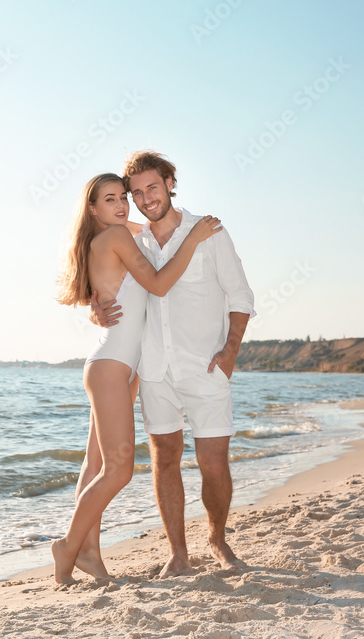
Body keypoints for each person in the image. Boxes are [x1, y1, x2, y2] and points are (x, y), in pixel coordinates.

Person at [91, 151, 255, 578]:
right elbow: (114, 286)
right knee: (164, 460)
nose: (146, 198)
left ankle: (217, 539)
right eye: (137, 192)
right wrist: (97, 308)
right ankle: (178, 553)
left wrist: (229, 353)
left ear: (169, 183)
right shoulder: (134, 240)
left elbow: (240, 297)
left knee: (214, 462)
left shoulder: (209, 231)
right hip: (154, 369)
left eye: (153, 188)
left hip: (205, 367)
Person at [53, 172, 221, 584]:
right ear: (92, 209)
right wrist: (194, 239)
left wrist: (174, 228)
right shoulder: (115, 239)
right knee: (119, 469)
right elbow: (160, 285)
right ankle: (68, 546)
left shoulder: (110, 235)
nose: (122, 205)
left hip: (116, 365)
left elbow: (144, 226)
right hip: (112, 366)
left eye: (122, 197)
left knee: (95, 463)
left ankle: (88, 551)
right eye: (109, 200)